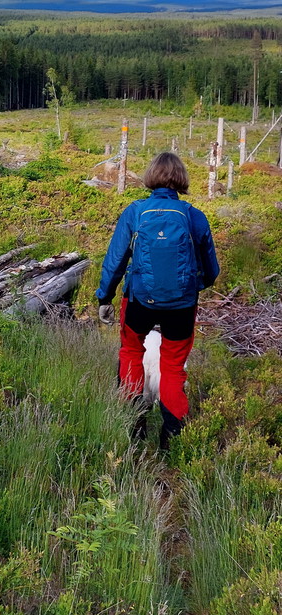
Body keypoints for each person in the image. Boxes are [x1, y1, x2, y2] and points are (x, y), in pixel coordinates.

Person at [95, 151, 219, 449]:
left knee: (130, 353)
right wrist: (191, 286)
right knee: (174, 367)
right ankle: (171, 439)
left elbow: (114, 261)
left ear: (151, 177)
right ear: (181, 180)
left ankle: (133, 426)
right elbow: (212, 271)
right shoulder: (193, 215)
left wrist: (105, 297)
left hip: (139, 302)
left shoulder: (135, 212)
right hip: (181, 306)